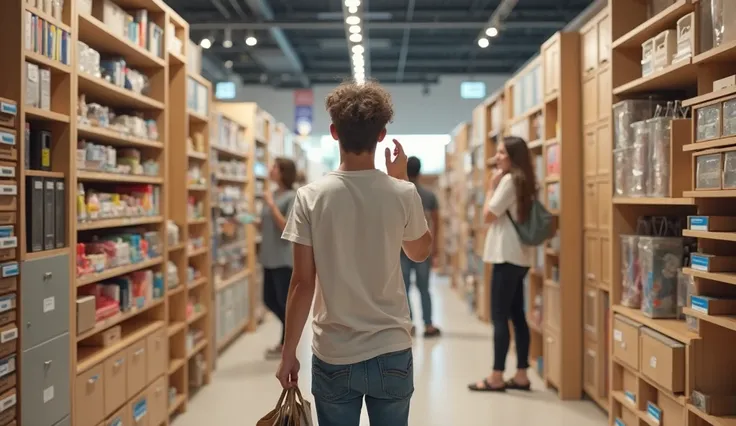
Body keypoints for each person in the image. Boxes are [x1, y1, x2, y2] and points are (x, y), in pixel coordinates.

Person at [275, 80, 433, 426]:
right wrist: (402, 178)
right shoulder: (402, 193)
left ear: (334, 132)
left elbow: (302, 283)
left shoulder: (311, 196)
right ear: (381, 135)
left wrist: (289, 353)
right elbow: (420, 252)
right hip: (391, 348)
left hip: (335, 352)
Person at [469, 136, 535, 393]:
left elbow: (488, 215)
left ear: (513, 157)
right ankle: (520, 375)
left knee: (500, 317)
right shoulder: (525, 180)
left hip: (505, 257)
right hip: (519, 257)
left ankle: (496, 376)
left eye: (501, 154)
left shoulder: (508, 181)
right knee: (517, 315)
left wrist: (490, 187)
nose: (496, 158)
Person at [260, 157, 298, 360]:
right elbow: (265, 223)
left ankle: (285, 344)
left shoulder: (291, 197)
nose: (271, 169)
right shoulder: (273, 194)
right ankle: (287, 337)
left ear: (284, 172)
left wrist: (271, 205)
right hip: (268, 257)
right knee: (268, 299)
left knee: (284, 303)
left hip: (283, 259)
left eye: (274, 167)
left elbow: (286, 228)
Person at [402, 156, 441, 337]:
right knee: (424, 287)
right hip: (423, 249)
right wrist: (435, 249)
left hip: (401, 249)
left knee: (404, 288)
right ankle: (428, 324)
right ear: (420, 172)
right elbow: (436, 223)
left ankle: (408, 323)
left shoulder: (400, 193)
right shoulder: (429, 196)